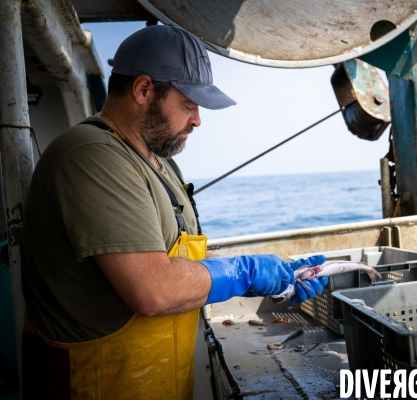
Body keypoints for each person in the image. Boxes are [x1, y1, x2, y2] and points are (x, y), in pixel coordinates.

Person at [20, 25, 328, 399]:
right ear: (143, 89)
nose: (197, 120)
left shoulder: (157, 162)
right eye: (188, 104)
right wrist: (243, 271)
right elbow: (153, 289)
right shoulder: (91, 157)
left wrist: (270, 278)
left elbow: (178, 260)